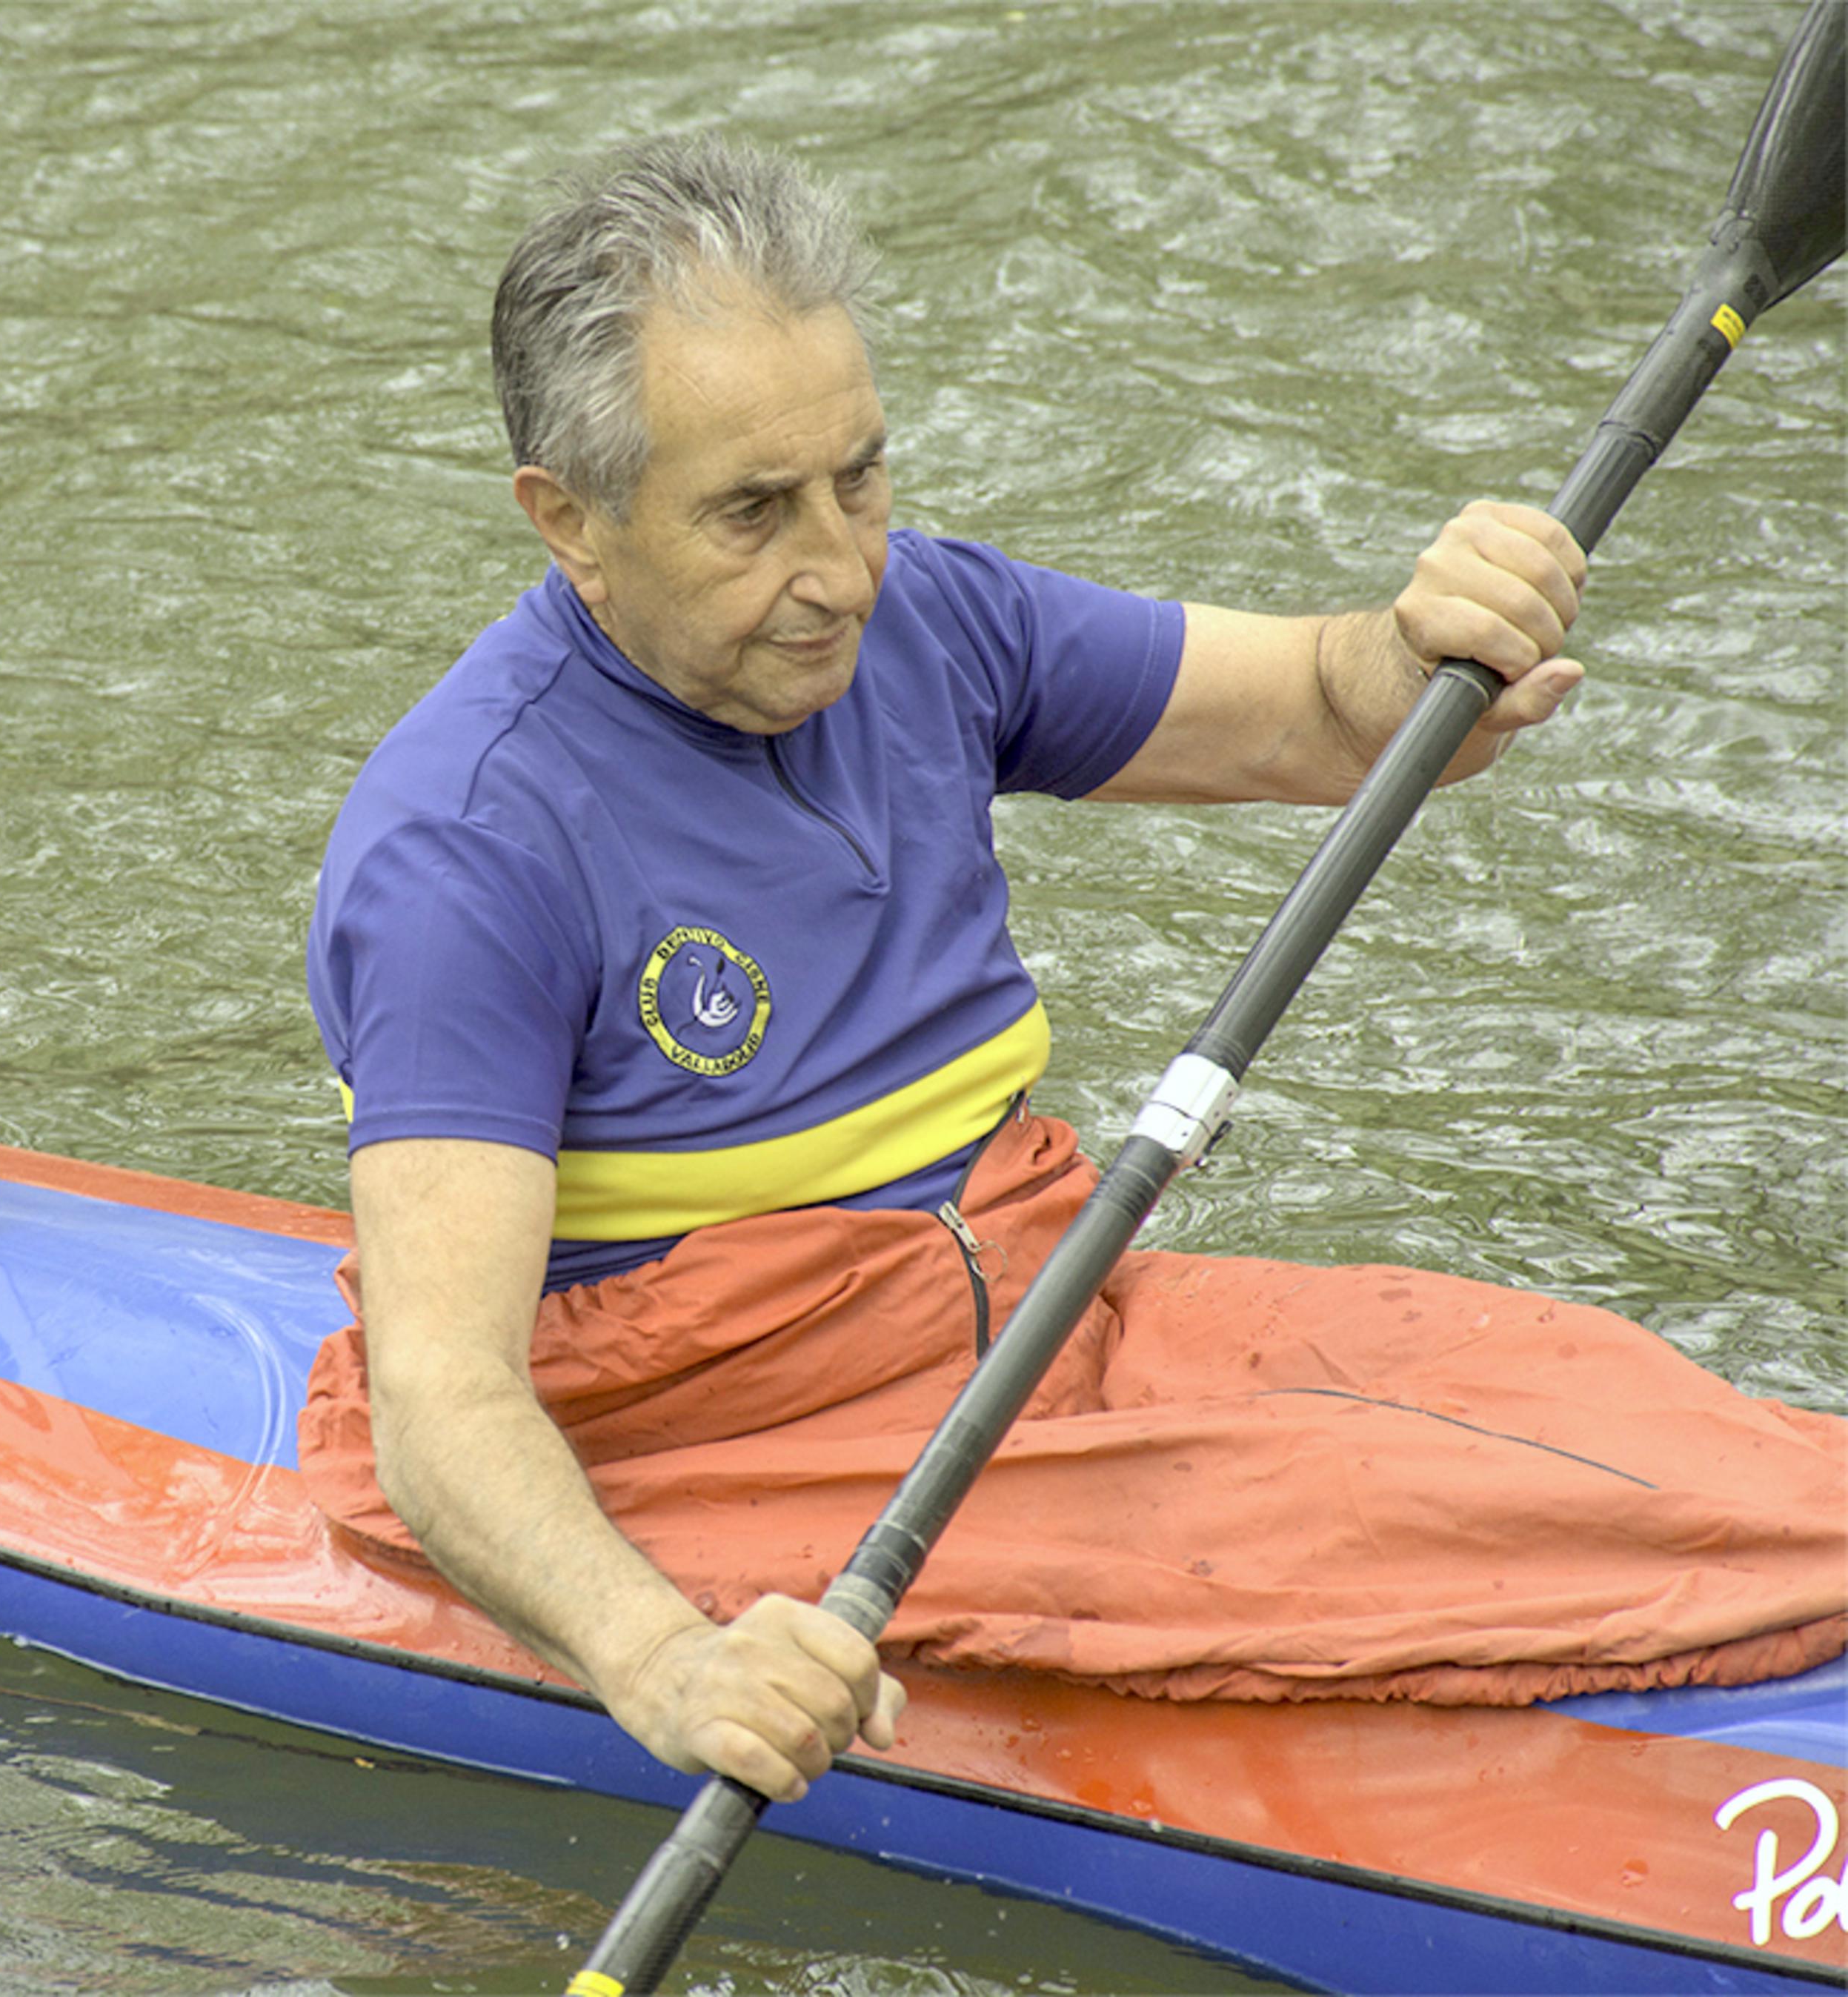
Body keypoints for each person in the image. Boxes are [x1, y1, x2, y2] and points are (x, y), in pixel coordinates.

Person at [296, 136, 1840, 1808]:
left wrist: (1430, 640)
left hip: (1046, 1318)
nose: (841, 569)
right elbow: (443, 1399)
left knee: (1587, 1394)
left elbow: (1328, 708)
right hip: (725, 1445)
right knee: (1472, 1519)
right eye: (753, 512)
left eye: (860, 479)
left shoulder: (928, 624)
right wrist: (669, 1662)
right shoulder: (468, 845)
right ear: (570, 523)